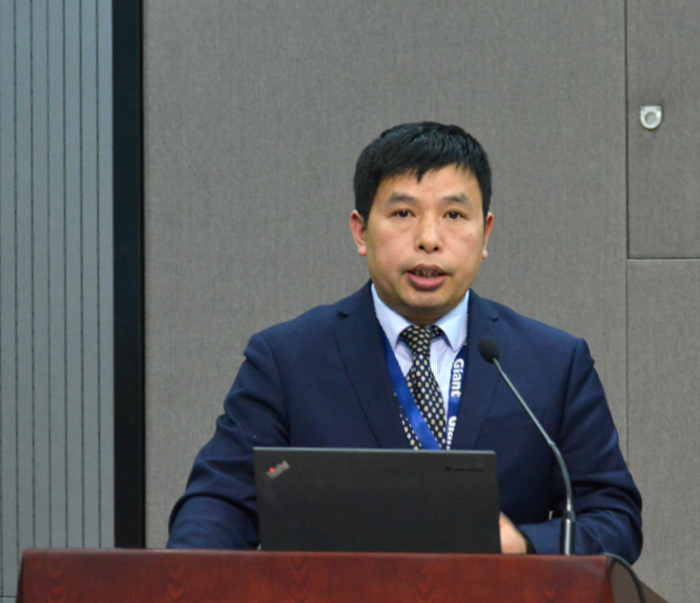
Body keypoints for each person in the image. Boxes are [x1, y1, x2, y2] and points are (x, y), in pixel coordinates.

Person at [167, 122, 642, 559]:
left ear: (485, 234)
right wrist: (182, 582)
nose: (429, 238)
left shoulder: (552, 363)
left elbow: (614, 518)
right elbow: (218, 505)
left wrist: (524, 543)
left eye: (454, 214)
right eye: (403, 213)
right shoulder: (288, 360)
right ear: (360, 232)